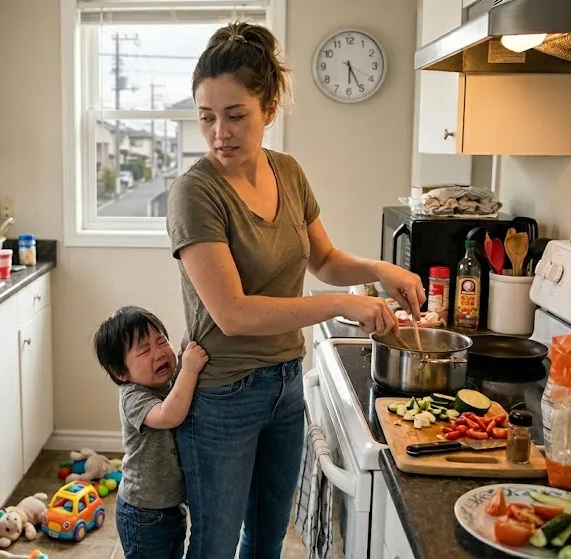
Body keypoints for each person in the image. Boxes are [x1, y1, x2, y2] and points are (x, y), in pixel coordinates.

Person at [165, 21, 426, 558]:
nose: (220, 133)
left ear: (269, 110)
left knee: (266, 541)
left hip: (284, 384)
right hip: (223, 394)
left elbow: (324, 260)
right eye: (206, 117)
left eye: (236, 115)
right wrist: (346, 304)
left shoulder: (288, 172)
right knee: (213, 546)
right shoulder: (194, 193)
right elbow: (233, 313)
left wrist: (382, 270)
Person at [93, 306, 209, 559]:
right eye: (145, 350)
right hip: (142, 512)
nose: (159, 353)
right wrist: (189, 370)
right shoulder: (132, 396)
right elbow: (169, 415)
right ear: (121, 373)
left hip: (171, 506)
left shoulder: (168, 385)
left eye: (161, 341)